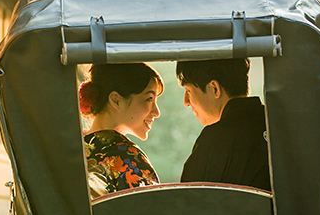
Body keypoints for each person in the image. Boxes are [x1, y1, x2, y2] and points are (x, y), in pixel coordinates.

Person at [176, 57, 271, 191]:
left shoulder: (214, 140)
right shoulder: (278, 124)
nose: (186, 102)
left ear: (215, 88)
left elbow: (188, 199)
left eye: (188, 91)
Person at [79, 63, 163, 199]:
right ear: (116, 100)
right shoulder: (126, 158)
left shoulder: (76, 150)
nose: (156, 112)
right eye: (149, 99)